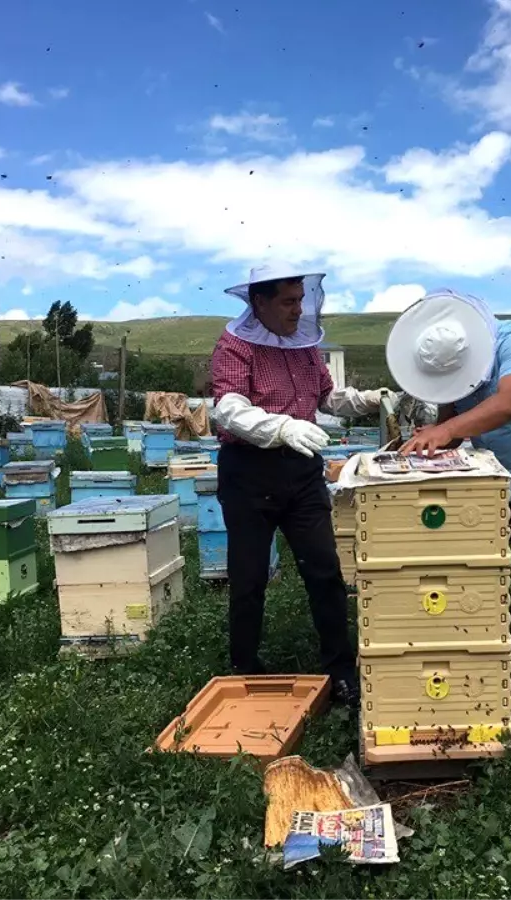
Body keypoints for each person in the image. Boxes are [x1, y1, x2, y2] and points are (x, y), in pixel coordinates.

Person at [388, 289, 511, 710]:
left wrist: (444, 431)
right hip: (498, 479)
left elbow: (509, 403)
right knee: (473, 570)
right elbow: (450, 425)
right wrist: (423, 452)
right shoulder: (448, 362)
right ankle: (504, 655)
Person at [210, 262, 389, 707]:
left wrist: (367, 400)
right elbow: (227, 409)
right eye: (288, 301)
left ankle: (340, 668)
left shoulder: (306, 343)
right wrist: (280, 427)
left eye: (300, 299)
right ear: (260, 302)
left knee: (325, 570)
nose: (298, 309)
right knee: (249, 577)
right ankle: (245, 668)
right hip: (249, 473)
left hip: (302, 472)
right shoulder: (235, 345)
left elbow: (327, 396)